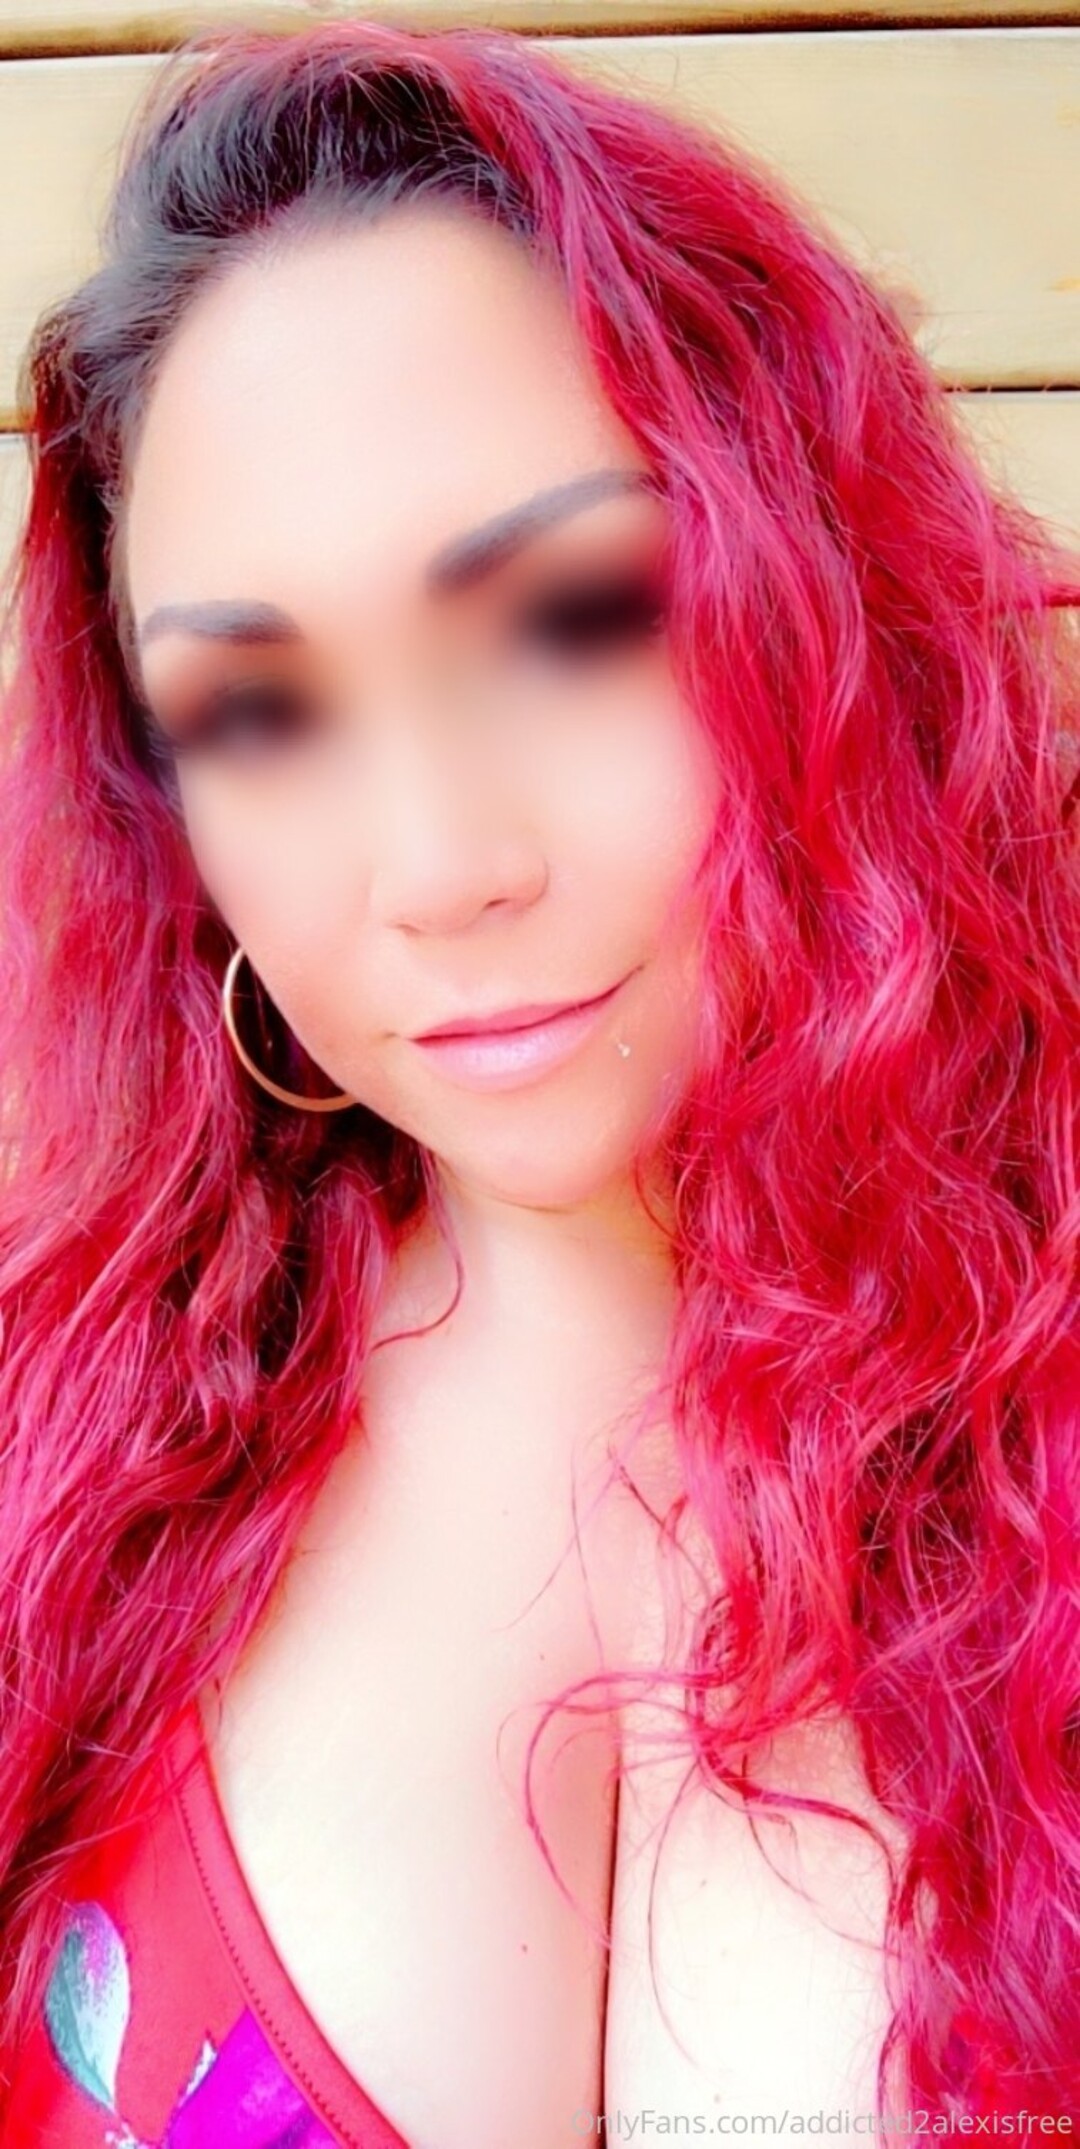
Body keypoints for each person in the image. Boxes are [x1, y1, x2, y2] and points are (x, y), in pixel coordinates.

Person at [0, 17, 1077, 2145]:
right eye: (261, 713)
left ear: (822, 596)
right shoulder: (66, 1483)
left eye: (572, 617)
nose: (440, 865)